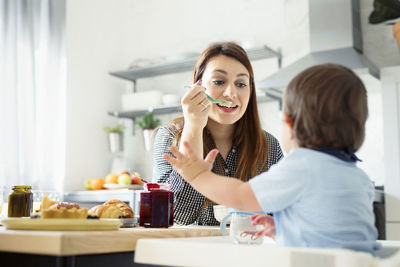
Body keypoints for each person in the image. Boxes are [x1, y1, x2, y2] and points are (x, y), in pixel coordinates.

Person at [163, 64, 379, 254]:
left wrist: (198, 175)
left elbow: (241, 197)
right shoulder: (357, 176)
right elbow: (332, 230)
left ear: (290, 124)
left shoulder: (302, 166)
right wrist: (285, 229)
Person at [153, 42, 283, 225]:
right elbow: (178, 216)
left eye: (241, 83)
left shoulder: (269, 145)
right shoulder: (169, 136)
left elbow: (281, 213)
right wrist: (193, 127)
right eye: (219, 82)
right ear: (197, 87)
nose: (231, 93)